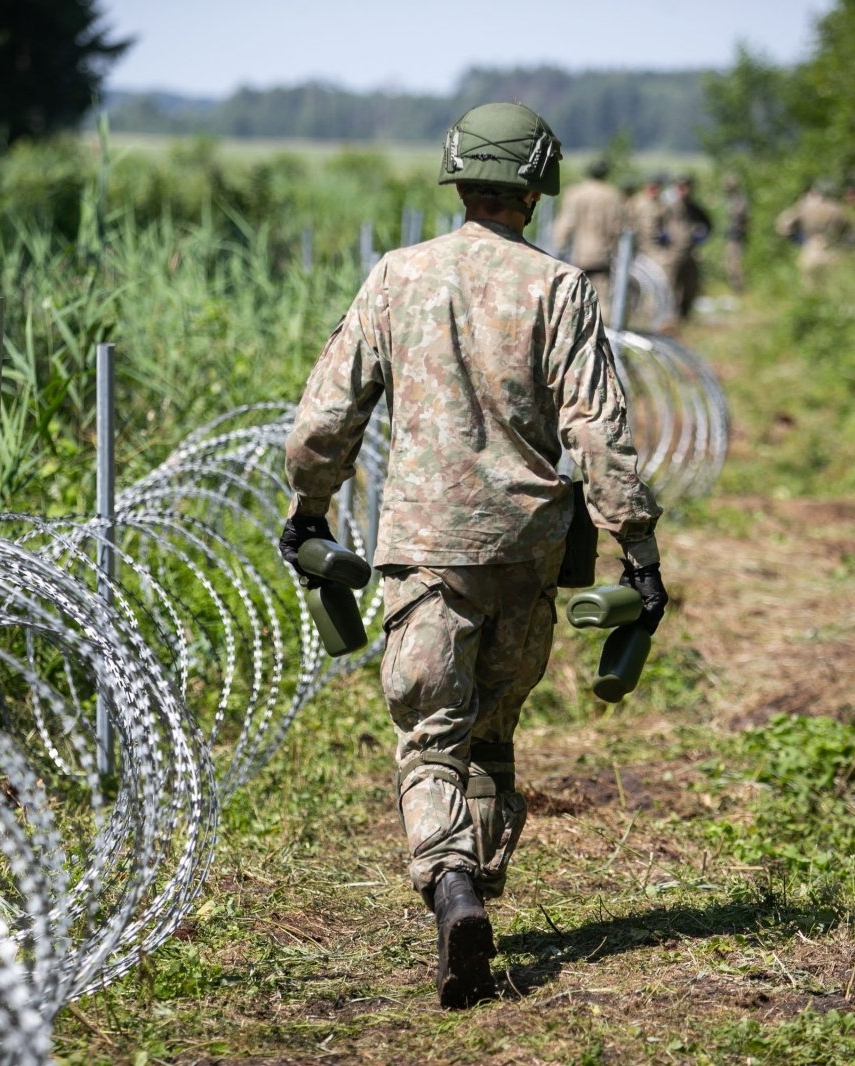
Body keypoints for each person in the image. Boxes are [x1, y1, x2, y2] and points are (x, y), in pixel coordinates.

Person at [280, 102, 669, 1009]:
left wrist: (309, 509)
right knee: (492, 737)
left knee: (430, 739)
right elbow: (600, 436)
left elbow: (325, 423)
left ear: (457, 176)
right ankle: (479, 897)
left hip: (422, 548)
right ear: (539, 186)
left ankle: (452, 890)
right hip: (528, 552)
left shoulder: (396, 277)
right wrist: (639, 552)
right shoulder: (562, 289)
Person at [550, 158, 626, 309]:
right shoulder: (612, 195)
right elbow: (617, 228)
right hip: (603, 255)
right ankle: (603, 331)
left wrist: (559, 246)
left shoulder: (575, 193)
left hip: (577, 255)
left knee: (575, 299)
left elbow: (565, 224)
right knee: (601, 300)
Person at [773, 179, 852, 285]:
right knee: (834, 290)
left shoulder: (804, 205)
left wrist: (799, 240)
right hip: (834, 254)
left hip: (810, 252)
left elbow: (782, 226)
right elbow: (851, 232)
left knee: (812, 293)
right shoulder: (839, 209)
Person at [664, 174, 713, 326]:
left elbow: (708, 224)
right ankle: (669, 317)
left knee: (691, 287)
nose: (684, 190)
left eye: (687, 187)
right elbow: (654, 225)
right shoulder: (669, 208)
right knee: (670, 285)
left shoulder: (694, 208)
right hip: (673, 253)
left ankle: (684, 315)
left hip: (690, 253)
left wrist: (701, 237)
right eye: (681, 187)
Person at [722, 174, 749, 293]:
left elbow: (743, 218)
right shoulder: (731, 200)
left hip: (737, 236)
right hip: (732, 235)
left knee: (734, 263)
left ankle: (738, 288)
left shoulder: (739, 200)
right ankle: (735, 287)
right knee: (729, 262)